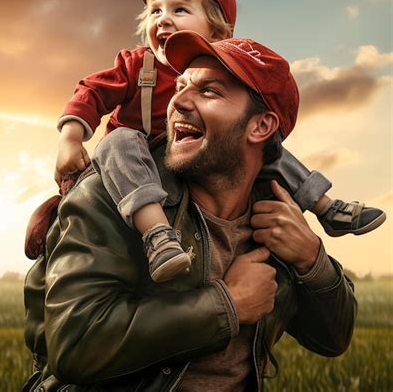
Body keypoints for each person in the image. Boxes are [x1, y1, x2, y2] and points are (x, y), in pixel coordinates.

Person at [23, 30, 357, 391]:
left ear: (261, 126)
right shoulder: (115, 195)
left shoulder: (277, 214)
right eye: (180, 86)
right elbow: (75, 345)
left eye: (208, 90)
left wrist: (312, 260)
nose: (178, 101)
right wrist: (228, 305)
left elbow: (333, 340)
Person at [42, 0, 385, 283]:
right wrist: (70, 138)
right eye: (155, 10)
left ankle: (325, 206)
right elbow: (92, 91)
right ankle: (158, 235)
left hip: (194, 153)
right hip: (135, 161)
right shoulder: (137, 65)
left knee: (261, 141)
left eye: (180, 10)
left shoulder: (226, 78)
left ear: (219, 33)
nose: (162, 19)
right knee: (120, 140)